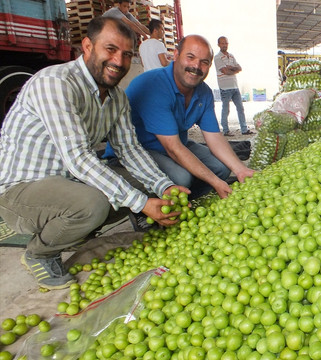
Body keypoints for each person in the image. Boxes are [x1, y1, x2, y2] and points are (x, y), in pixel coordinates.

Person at [0, 17, 188, 290]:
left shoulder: (116, 98)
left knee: (136, 184)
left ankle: (78, 226)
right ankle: (40, 252)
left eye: (126, 54)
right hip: (21, 192)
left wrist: (164, 187)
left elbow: (129, 150)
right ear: (87, 46)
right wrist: (142, 204)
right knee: (94, 204)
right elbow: (77, 158)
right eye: (110, 49)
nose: (119, 61)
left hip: (68, 183)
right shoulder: (56, 83)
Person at [126, 35, 256, 199]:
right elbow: (173, 149)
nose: (196, 66)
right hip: (140, 148)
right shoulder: (154, 85)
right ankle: (150, 207)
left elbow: (214, 137)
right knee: (181, 178)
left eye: (204, 62)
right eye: (190, 57)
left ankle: (188, 203)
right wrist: (215, 182)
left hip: (176, 143)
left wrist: (240, 169)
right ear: (175, 55)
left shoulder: (203, 92)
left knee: (222, 168)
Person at [213, 36, 253, 136]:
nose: (224, 45)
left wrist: (232, 68)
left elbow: (240, 68)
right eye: (222, 43)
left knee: (240, 108)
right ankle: (225, 130)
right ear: (218, 45)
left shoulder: (231, 56)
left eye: (226, 43)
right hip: (225, 87)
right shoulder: (217, 57)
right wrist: (233, 70)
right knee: (226, 109)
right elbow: (225, 71)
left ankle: (244, 129)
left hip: (235, 86)